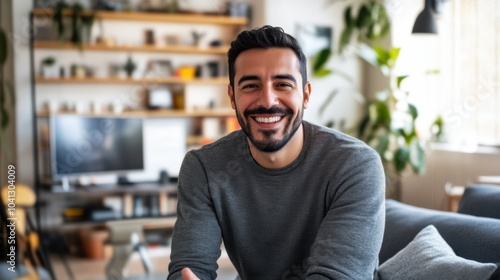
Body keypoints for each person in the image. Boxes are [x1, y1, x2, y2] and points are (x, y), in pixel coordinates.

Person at [167, 25, 385, 280]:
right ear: (232, 97)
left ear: (305, 95)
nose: (268, 101)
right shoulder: (203, 168)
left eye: (283, 84)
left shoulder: (355, 164)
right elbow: (190, 270)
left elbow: (337, 276)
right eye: (250, 85)